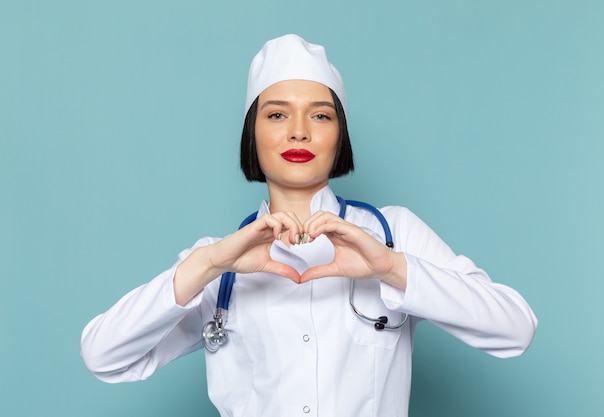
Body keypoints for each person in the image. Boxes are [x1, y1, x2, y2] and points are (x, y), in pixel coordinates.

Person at [81, 34, 537, 417]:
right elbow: (104, 357)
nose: (299, 131)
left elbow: (515, 329)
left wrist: (392, 269)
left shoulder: (392, 232)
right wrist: (206, 265)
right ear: (251, 133)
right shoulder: (218, 262)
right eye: (277, 114)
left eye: (320, 115)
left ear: (339, 135)